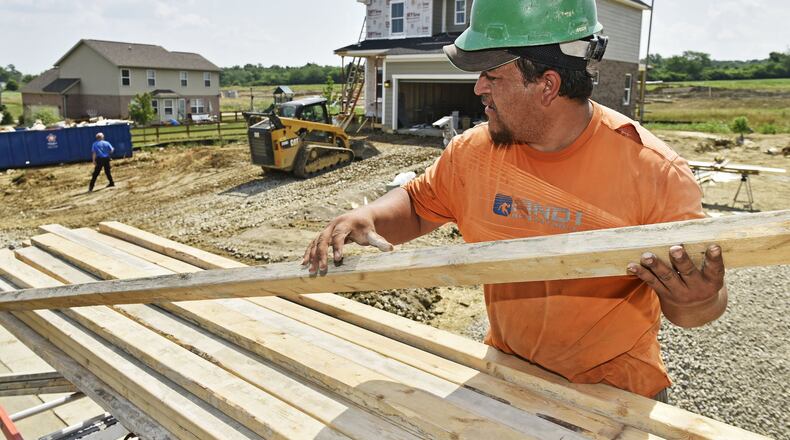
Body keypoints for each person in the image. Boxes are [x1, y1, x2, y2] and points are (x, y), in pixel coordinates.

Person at [302, 0, 727, 400]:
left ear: (547, 85)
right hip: (508, 376)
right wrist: (368, 215)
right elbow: (416, 206)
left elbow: (692, 309)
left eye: (492, 74)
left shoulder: (653, 172)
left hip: (615, 393)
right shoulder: (473, 153)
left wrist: (701, 299)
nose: (477, 88)